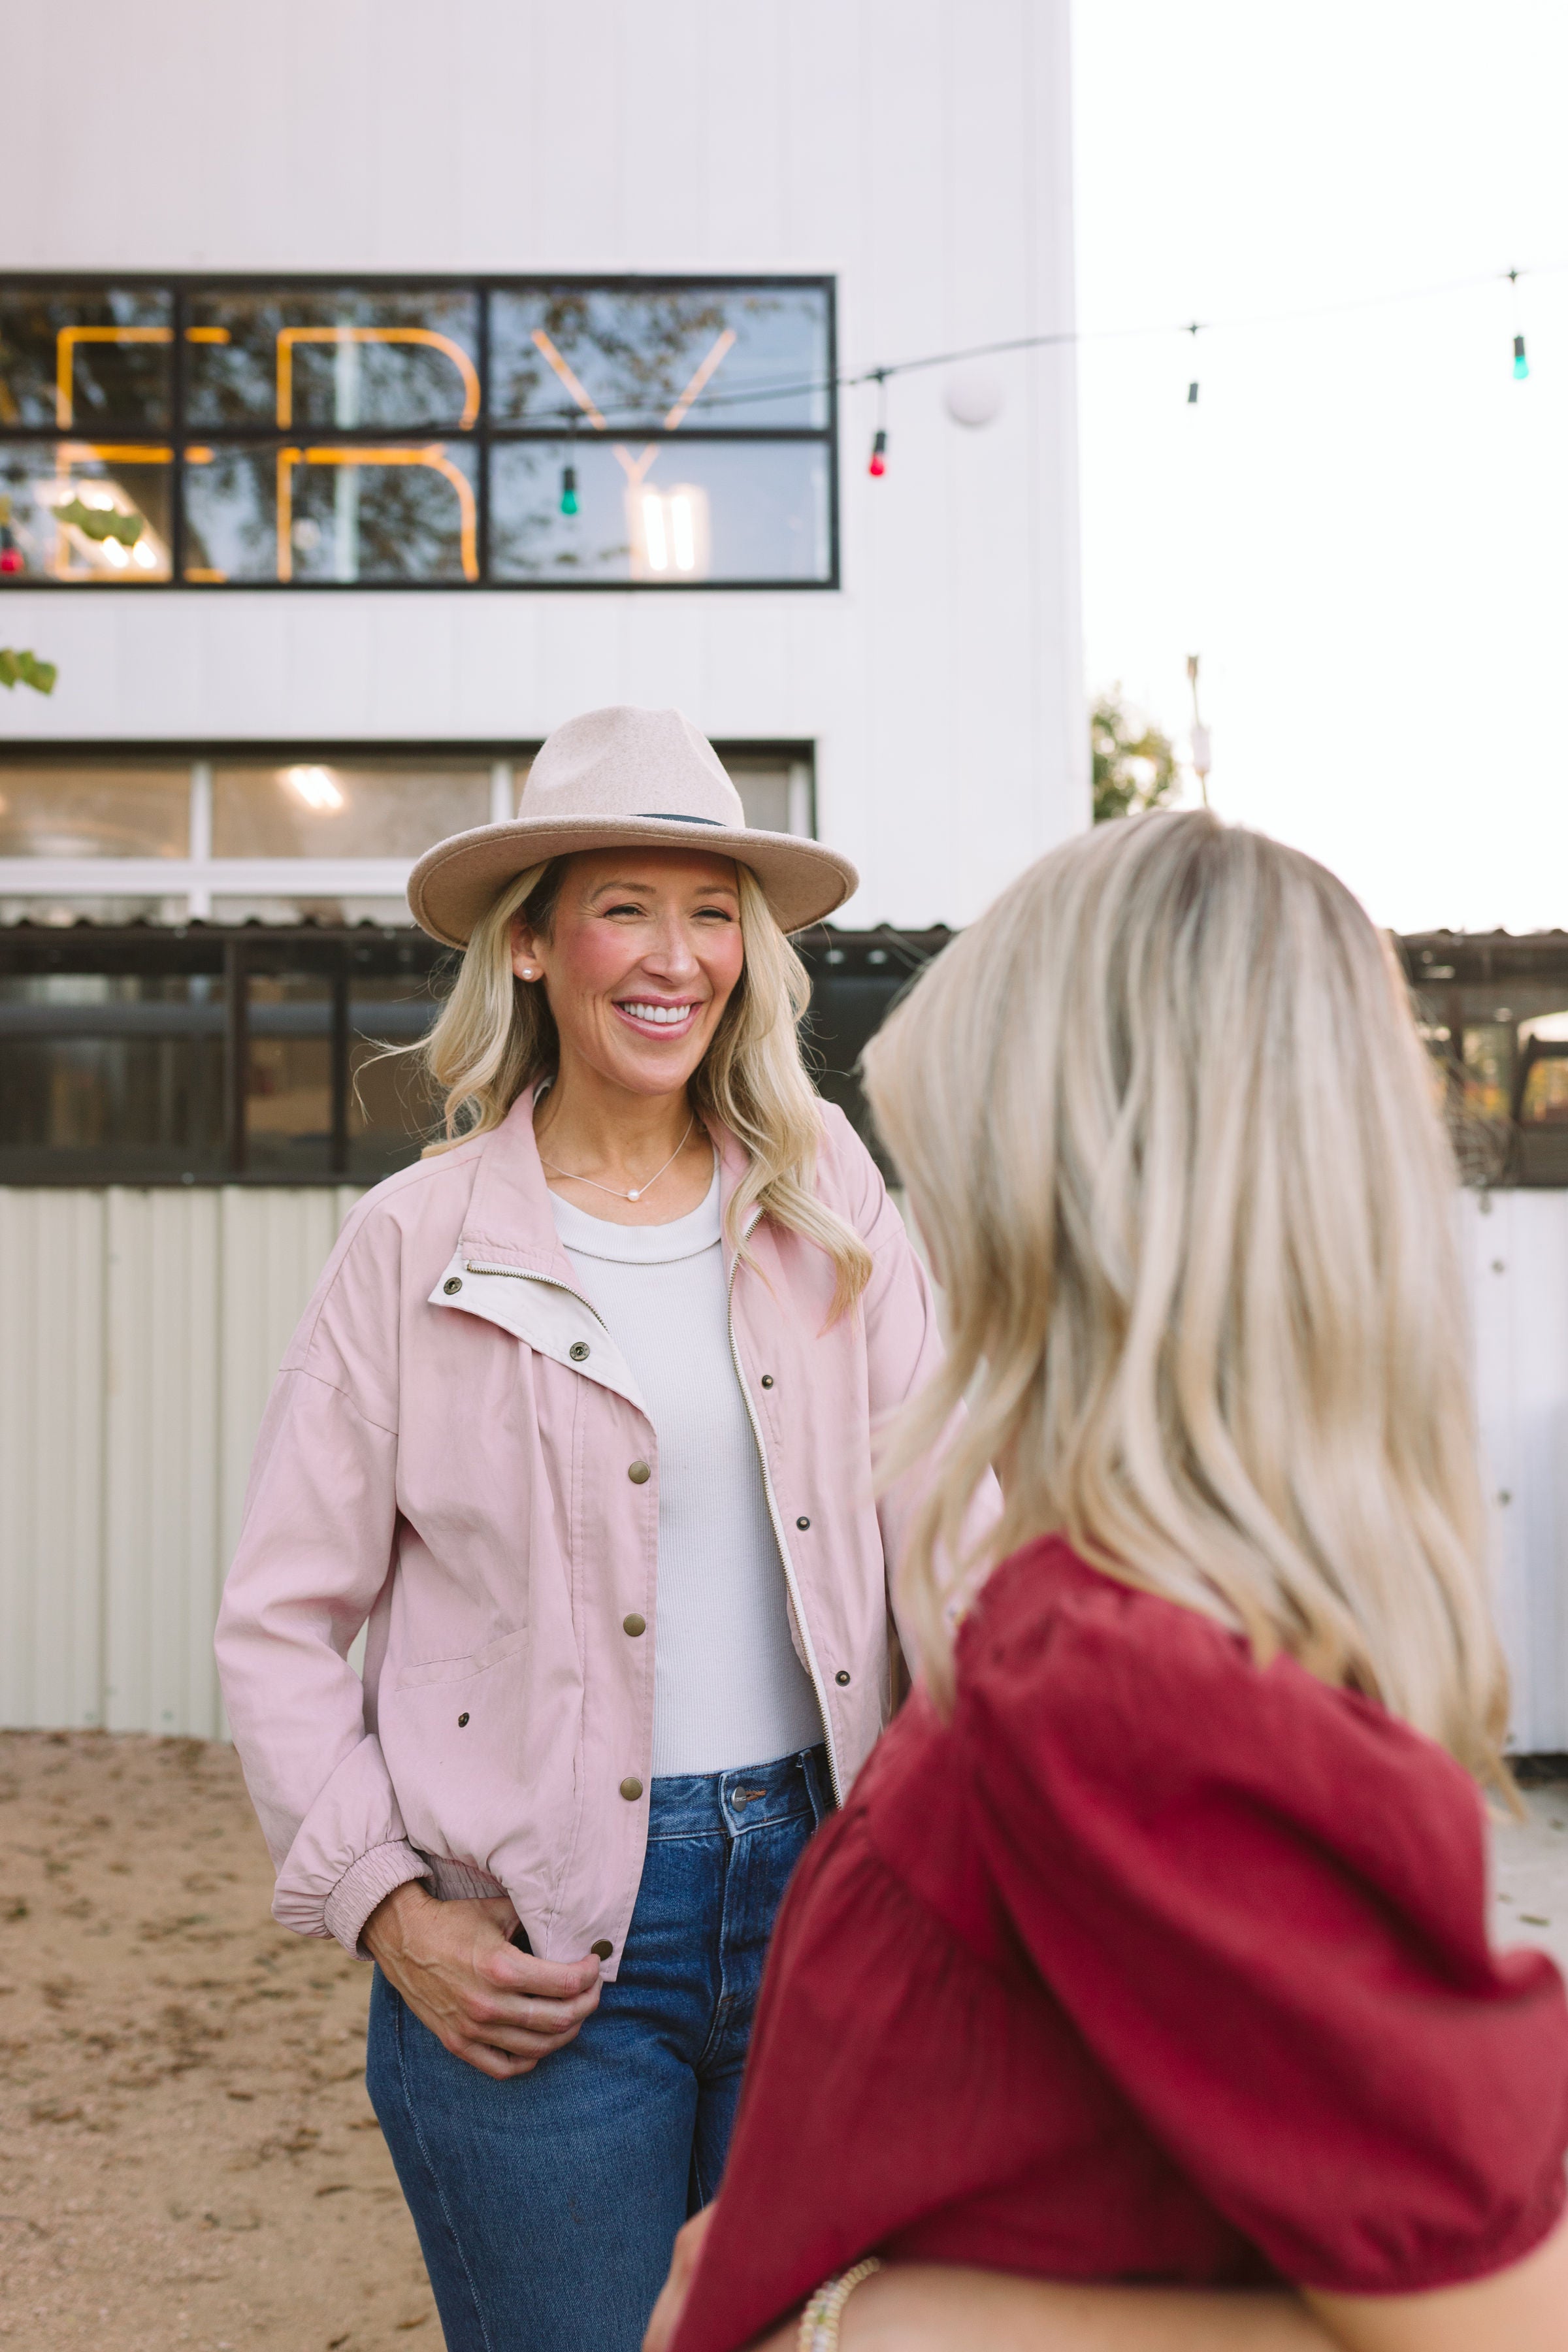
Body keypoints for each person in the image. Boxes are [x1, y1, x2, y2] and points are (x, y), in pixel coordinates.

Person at [647, 809, 1568, 2352]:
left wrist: (883, 2330)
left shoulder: (1119, 1678)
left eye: (949, 1178)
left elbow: (1503, 2320)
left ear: (1064, 1209)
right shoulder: (1167, 1628)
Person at [216, 706, 977, 2352]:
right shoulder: (411, 1241)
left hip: (825, 1913)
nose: (674, 957)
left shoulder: (828, 1200)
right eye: (626, 905)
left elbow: (953, 1526)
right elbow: (279, 1621)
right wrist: (386, 1909)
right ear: (538, 942)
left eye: (713, 913)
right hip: (539, 1952)